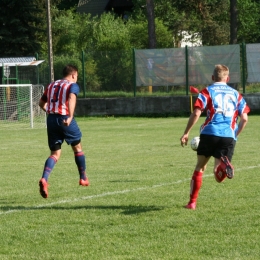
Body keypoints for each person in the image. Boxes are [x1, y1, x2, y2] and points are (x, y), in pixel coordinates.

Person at [180, 64, 250, 210]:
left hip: (209, 132)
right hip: (228, 136)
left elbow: (197, 113)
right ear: (227, 78)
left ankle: (192, 202)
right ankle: (225, 166)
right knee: (218, 175)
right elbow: (244, 119)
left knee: (200, 167)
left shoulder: (207, 91)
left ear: (213, 78)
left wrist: (186, 132)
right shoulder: (236, 94)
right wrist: (235, 135)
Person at [38, 64, 89, 198]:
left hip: (51, 119)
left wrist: (51, 112)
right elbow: (72, 98)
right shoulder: (72, 85)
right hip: (65, 118)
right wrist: (70, 116)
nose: (76, 78)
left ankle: (45, 178)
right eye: (76, 76)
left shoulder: (51, 85)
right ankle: (83, 177)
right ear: (73, 74)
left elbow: (41, 104)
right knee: (77, 148)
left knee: (55, 153)